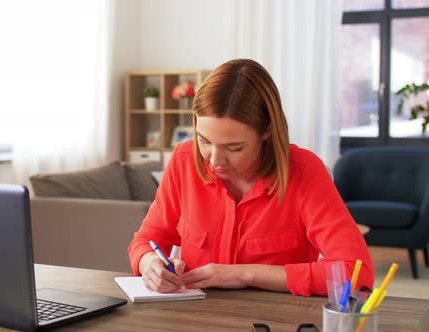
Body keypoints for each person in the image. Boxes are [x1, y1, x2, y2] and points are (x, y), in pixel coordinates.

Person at [127, 59, 374, 296]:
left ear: (266, 130)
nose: (214, 160)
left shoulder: (305, 172)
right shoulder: (184, 160)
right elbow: (146, 241)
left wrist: (245, 275)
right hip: (194, 318)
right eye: (204, 141)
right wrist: (149, 263)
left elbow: (356, 273)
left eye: (234, 148)